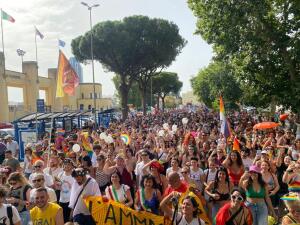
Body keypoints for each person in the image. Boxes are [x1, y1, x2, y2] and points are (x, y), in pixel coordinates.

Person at [56, 158, 75, 223]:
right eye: (65, 164)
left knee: (70, 220)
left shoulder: (75, 175)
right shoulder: (60, 174)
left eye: (68, 164)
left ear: (72, 166)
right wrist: (58, 186)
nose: (66, 166)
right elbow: (58, 188)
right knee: (62, 220)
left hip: (71, 201)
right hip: (62, 200)